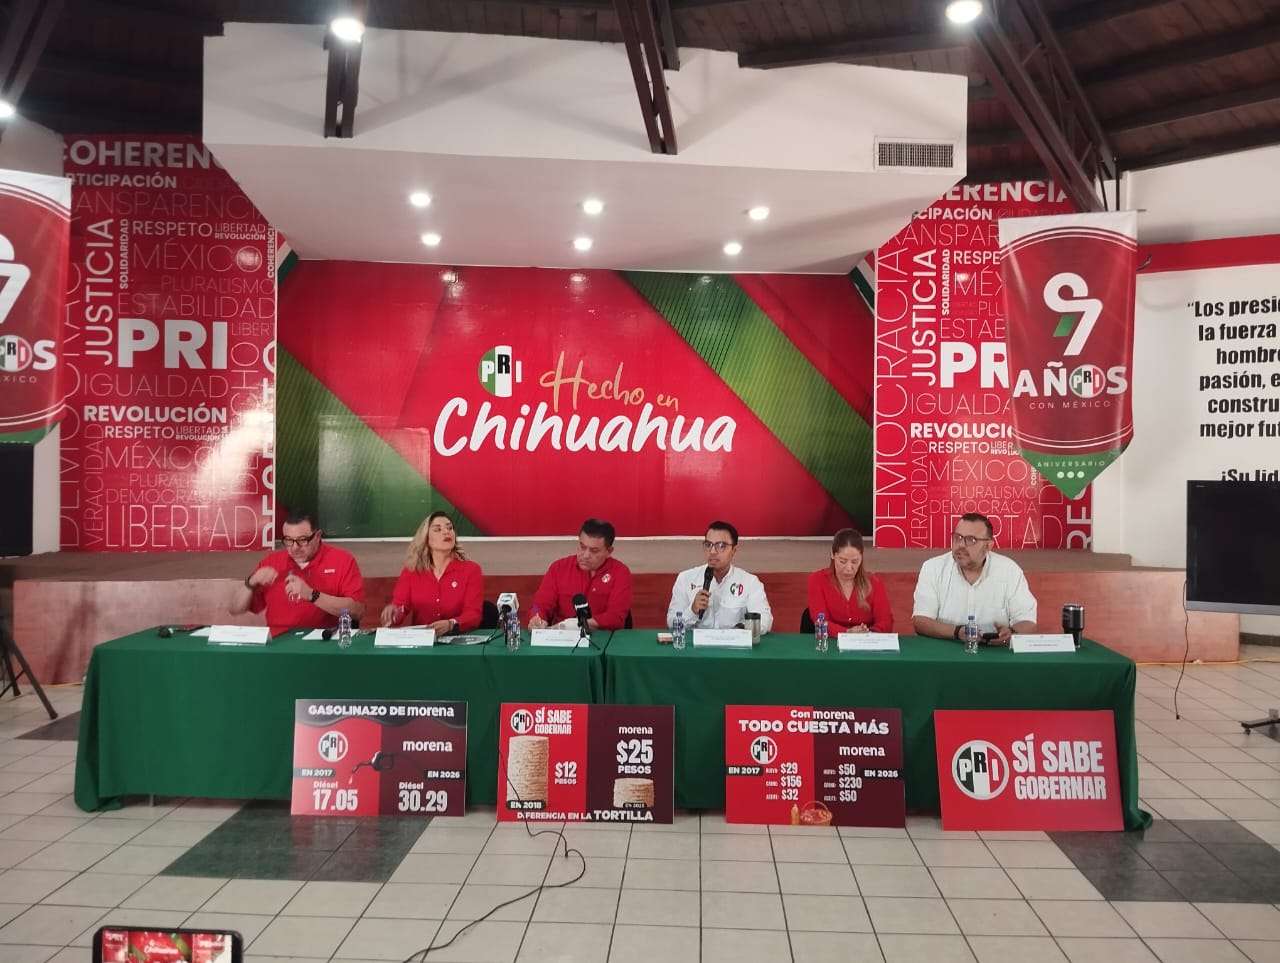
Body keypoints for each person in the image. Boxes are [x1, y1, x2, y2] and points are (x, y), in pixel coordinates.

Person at [229, 509, 365, 635]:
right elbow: (235, 609)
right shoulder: (271, 562)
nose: (294, 547)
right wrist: (251, 582)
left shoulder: (342, 560)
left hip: (323, 641)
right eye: (288, 540)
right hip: (278, 642)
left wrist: (312, 595)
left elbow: (357, 611)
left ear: (318, 536)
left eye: (302, 540)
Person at [912, 512, 1037, 646]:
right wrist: (957, 632)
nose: (961, 545)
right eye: (957, 538)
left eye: (971, 540)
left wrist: (1011, 632)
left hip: (995, 651)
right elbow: (921, 621)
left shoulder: (1009, 570)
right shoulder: (933, 568)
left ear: (988, 546)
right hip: (947, 649)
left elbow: (1027, 621)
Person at [380, 511, 483, 635]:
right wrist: (393, 613)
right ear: (426, 538)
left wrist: (451, 624)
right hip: (422, 640)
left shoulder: (471, 570)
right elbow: (400, 606)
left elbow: (473, 614)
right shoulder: (412, 571)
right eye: (437, 529)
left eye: (449, 528)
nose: (446, 532)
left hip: (457, 638)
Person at [667, 521, 773, 633]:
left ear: (733, 550)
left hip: (734, 642)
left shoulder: (750, 582)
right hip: (696, 644)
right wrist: (692, 611)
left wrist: (739, 629)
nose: (712, 551)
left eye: (721, 546)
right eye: (708, 545)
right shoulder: (685, 579)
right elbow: (671, 623)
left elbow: (764, 620)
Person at [528, 518, 633, 631]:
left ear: (609, 551)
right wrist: (536, 618)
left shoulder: (620, 573)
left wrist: (578, 625)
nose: (586, 555)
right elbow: (538, 605)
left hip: (601, 637)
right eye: (582, 547)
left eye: (594, 551)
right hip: (561, 636)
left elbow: (616, 617)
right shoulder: (558, 568)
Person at [807, 528, 892, 633]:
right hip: (831, 640)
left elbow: (886, 621)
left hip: (866, 640)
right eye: (842, 561)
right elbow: (820, 621)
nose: (849, 568)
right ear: (832, 554)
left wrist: (869, 633)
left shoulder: (874, 583)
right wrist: (847, 632)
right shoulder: (817, 580)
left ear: (861, 557)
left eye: (855, 562)